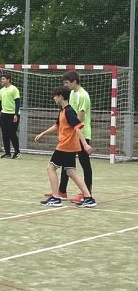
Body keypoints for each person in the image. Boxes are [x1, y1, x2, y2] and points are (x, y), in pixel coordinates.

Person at [35, 87, 96, 207]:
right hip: (70, 146)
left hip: (65, 145)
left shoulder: (69, 111)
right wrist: (42, 133)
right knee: (71, 171)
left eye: (55, 96)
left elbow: (77, 128)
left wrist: (85, 144)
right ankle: (88, 198)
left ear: (61, 97)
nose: (54, 98)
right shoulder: (62, 111)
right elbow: (56, 126)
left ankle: (55, 198)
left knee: (51, 168)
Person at [53, 71, 93, 203]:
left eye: (67, 82)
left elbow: (79, 119)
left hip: (82, 133)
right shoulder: (71, 94)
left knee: (84, 163)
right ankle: (62, 191)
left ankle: (87, 193)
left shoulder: (83, 95)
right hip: (71, 134)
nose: (65, 85)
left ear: (74, 82)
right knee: (67, 162)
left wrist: (69, 126)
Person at [0, 73, 21, 159]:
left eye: (3, 79)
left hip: (13, 115)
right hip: (4, 115)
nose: (1, 80)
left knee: (12, 133)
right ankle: (7, 153)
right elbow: (0, 104)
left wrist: (16, 114)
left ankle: (17, 152)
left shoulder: (14, 89)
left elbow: (17, 103)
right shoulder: (1, 91)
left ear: (8, 80)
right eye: (1, 79)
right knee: (5, 134)